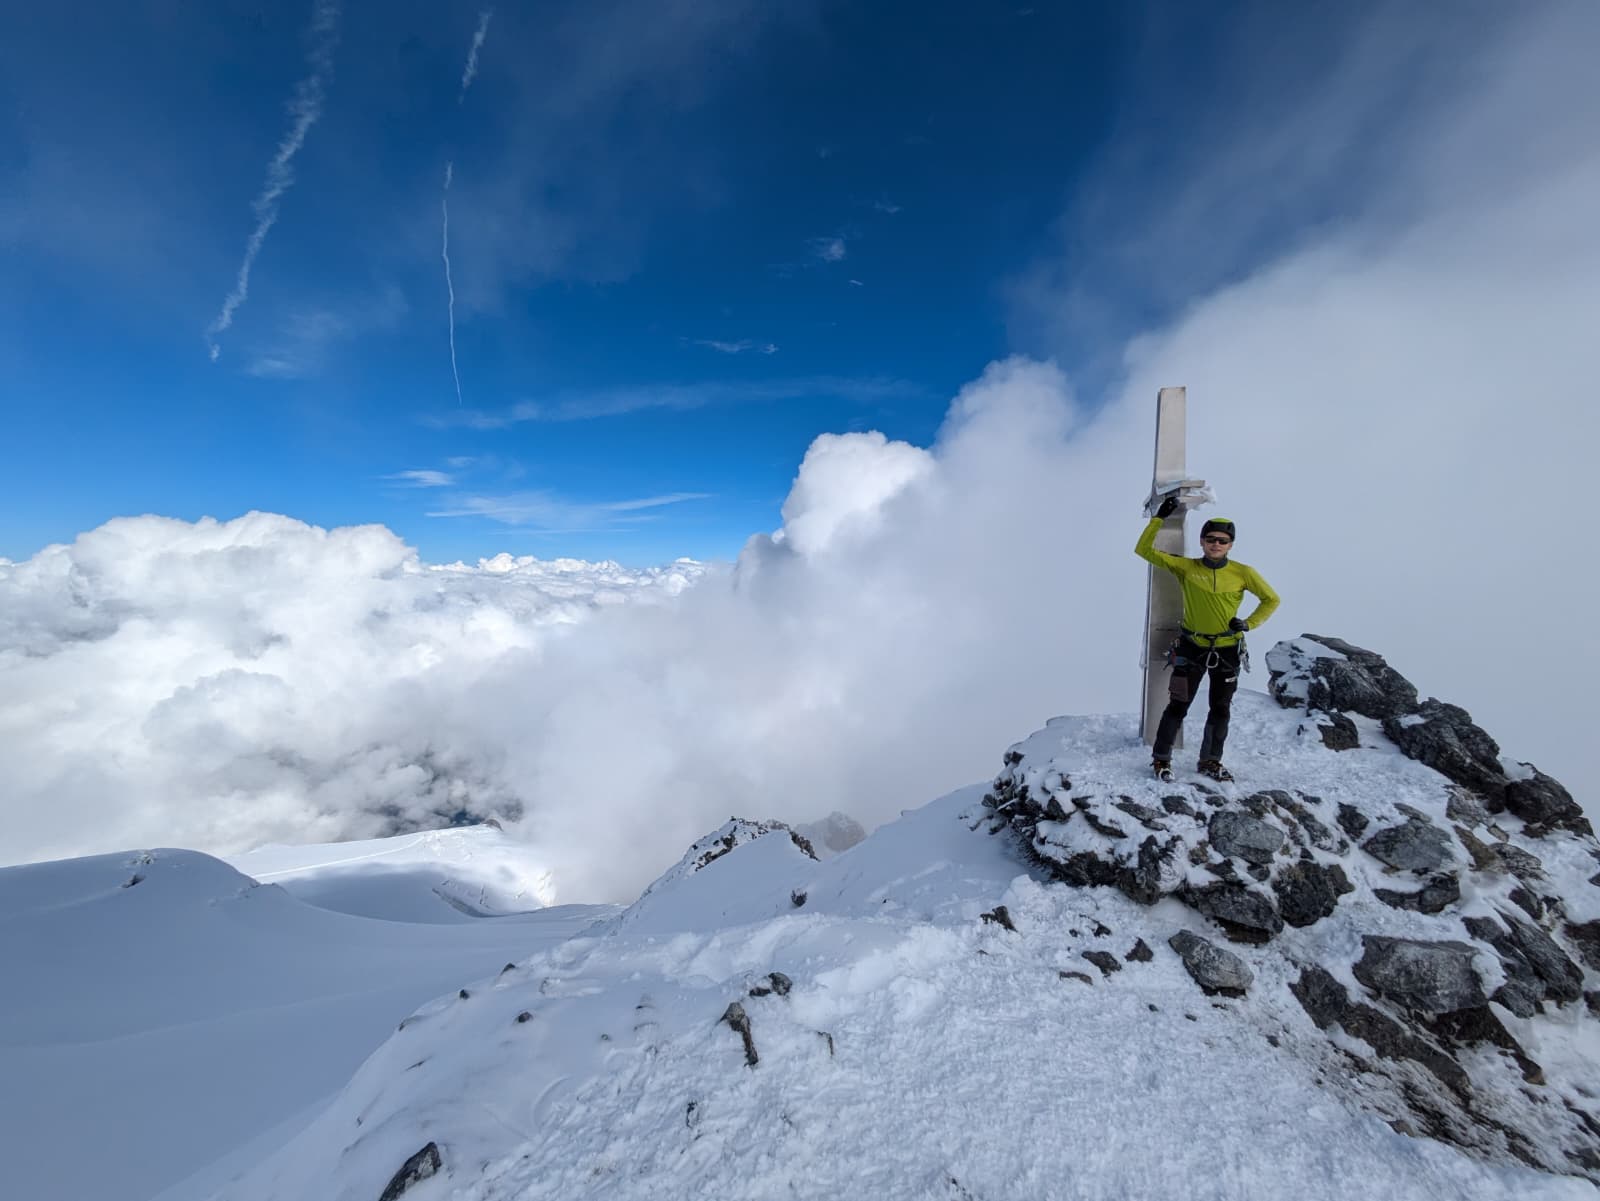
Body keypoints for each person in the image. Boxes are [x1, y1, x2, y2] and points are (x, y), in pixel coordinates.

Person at [1136, 495, 1280, 782]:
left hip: (1228, 650)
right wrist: (1158, 520)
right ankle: (1161, 760)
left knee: (1220, 709)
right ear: (1202, 542)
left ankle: (1210, 762)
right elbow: (1144, 551)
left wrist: (1249, 623)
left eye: (1223, 541)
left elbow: (1271, 599)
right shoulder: (1187, 567)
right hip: (1192, 647)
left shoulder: (1243, 573)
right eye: (1211, 539)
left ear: (1230, 545)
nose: (1216, 544)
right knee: (1178, 706)